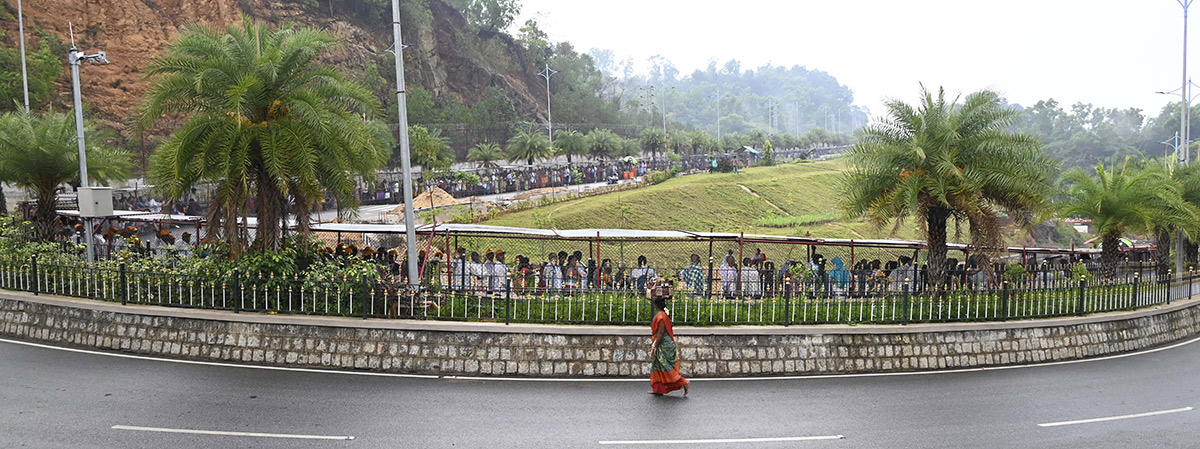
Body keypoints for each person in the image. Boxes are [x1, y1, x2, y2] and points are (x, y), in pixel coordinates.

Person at [649, 293, 690, 396]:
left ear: (655, 305)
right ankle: (658, 389)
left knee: (665, 367)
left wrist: (655, 344)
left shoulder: (661, 316)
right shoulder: (663, 315)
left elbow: (661, 333)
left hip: (663, 345)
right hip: (664, 343)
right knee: (657, 366)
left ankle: (684, 382)